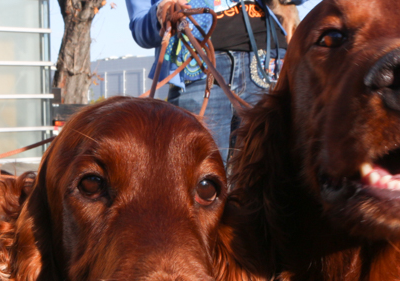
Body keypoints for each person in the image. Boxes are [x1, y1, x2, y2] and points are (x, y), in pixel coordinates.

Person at [127, 0, 298, 162]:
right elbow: (140, 27)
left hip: (265, 59)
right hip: (197, 66)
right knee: (196, 174)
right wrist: (160, 12)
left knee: (266, 177)